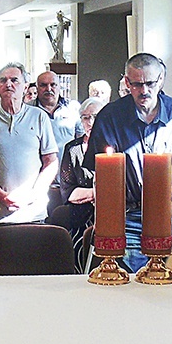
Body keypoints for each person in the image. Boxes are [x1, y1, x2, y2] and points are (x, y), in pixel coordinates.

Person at [83, 53, 172, 273]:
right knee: (136, 280)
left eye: (150, 83)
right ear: (127, 82)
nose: (144, 91)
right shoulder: (110, 116)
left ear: (160, 80)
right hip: (132, 213)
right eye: (137, 84)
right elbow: (102, 174)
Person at [0, 63, 58, 229]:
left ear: (25, 87)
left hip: (33, 212)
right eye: (3, 80)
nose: (8, 84)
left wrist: (33, 194)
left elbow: (51, 162)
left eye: (14, 80)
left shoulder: (39, 117)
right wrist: (1, 195)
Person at [59, 97, 105, 273]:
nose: (90, 122)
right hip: (80, 221)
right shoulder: (72, 149)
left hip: (109, 220)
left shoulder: (115, 147)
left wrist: (87, 193)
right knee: (81, 268)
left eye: (95, 116)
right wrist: (99, 193)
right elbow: (69, 192)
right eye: (86, 117)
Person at [29, 71, 82, 168]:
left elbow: (81, 140)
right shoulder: (27, 111)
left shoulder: (73, 108)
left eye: (53, 85)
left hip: (68, 172)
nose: (48, 89)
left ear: (59, 86)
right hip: (38, 173)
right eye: (43, 85)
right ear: (37, 88)